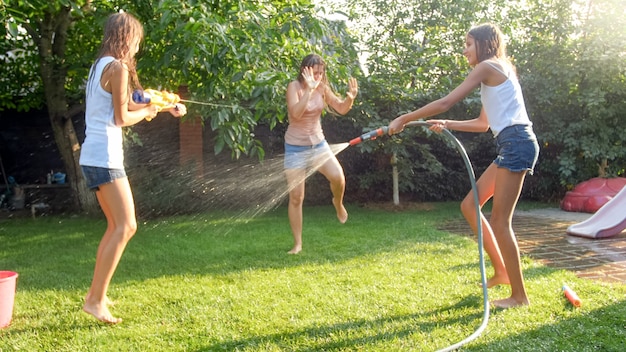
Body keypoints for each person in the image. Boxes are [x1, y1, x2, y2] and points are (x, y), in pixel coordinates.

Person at [388, 23, 539, 309]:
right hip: (510, 143)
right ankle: (502, 272)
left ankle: (519, 297)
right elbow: (484, 124)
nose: (464, 50)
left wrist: (404, 118)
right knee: (470, 205)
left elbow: (445, 102)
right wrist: (448, 124)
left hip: (517, 143)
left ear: (484, 44)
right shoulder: (494, 72)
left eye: (468, 44)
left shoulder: (488, 67)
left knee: (500, 221)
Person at [79, 12, 186, 324]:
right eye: (136, 40)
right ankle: (95, 300)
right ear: (126, 38)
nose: (138, 47)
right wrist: (151, 109)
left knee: (116, 227)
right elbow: (122, 118)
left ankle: (95, 295)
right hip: (105, 157)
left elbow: (125, 104)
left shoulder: (101, 65)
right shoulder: (118, 67)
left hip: (94, 155)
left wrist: (163, 106)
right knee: (126, 226)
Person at [284, 54, 358, 254]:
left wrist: (349, 99)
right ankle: (298, 243)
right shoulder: (294, 87)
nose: (318, 76)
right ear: (304, 70)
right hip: (295, 147)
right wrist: (308, 89)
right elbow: (295, 113)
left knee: (338, 177)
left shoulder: (323, 89)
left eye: (321, 72)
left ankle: (338, 202)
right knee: (297, 197)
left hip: (318, 145)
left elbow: (341, 108)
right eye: (315, 72)